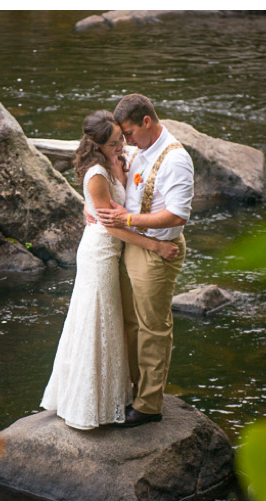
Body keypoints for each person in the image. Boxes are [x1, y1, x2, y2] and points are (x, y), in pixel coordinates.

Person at [40, 110, 181, 430]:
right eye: (115, 142)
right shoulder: (96, 174)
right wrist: (155, 246)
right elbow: (113, 226)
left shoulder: (125, 156)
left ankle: (120, 394)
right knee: (98, 320)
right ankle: (89, 403)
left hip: (120, 249)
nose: (123, 145)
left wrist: (88, 207)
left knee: (118, 320)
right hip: (101, 252)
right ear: (98, 145)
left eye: (122, 138)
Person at [94, 94, 193, 427]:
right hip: (130, 245)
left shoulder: (176, 160)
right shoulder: (138, 149)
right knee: (129, 323)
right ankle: (132, 391)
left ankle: (149, 405)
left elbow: (177, 216)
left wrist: (129, 221)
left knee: (153, 328)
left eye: (129, 133)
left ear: (146, 122)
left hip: (156, 251)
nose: (126, 141)